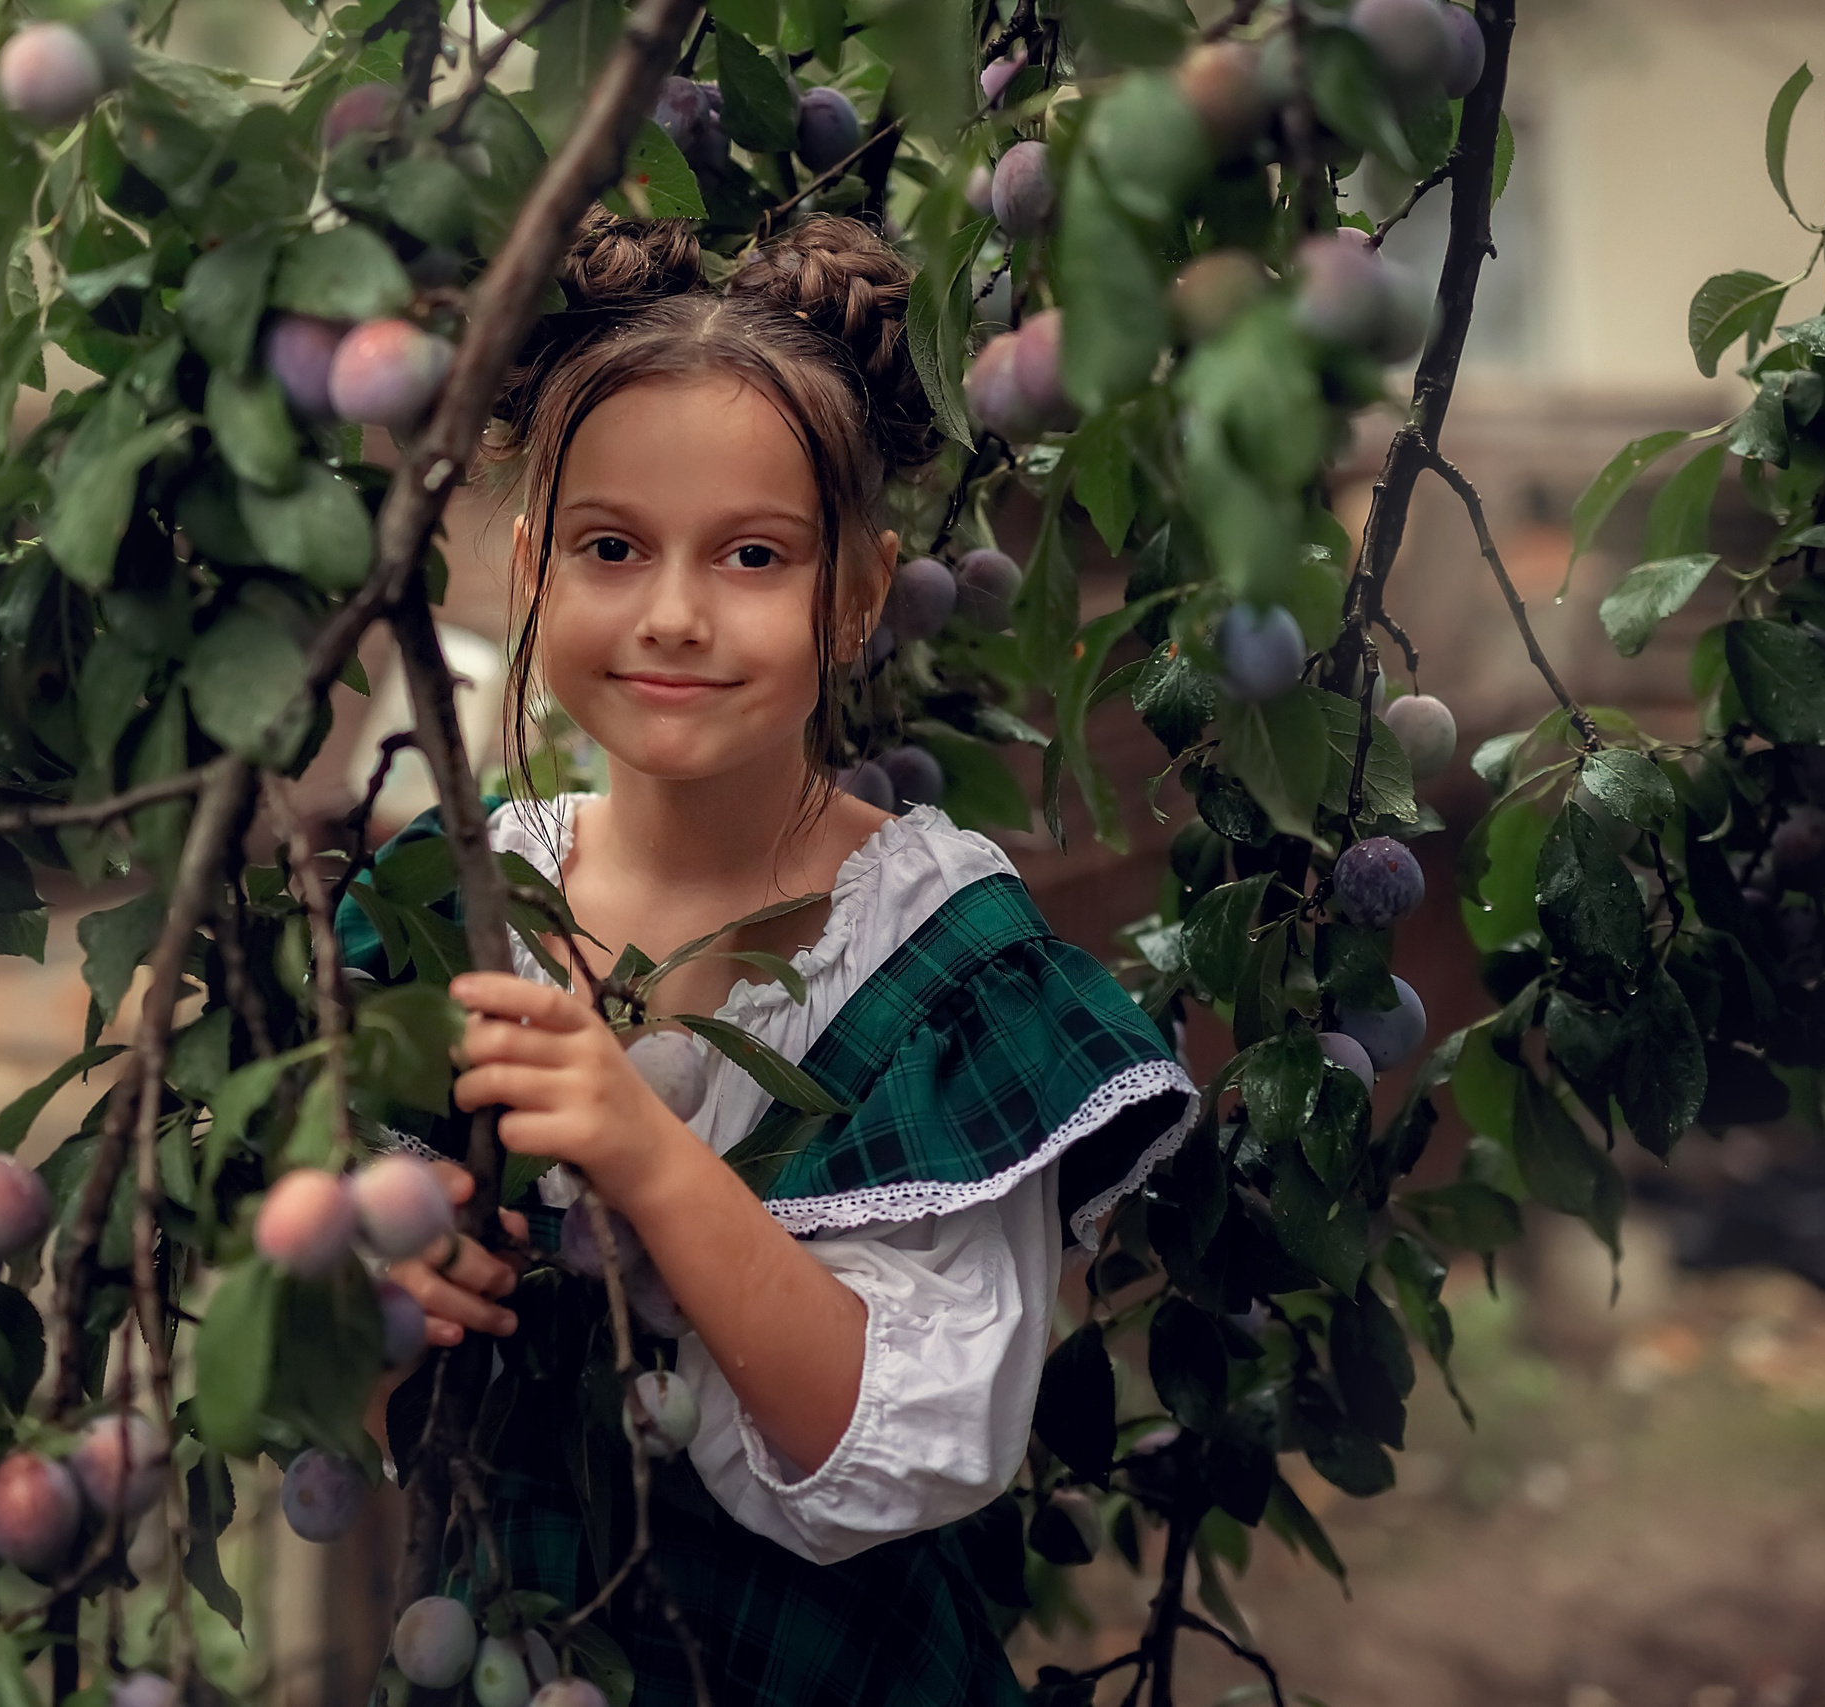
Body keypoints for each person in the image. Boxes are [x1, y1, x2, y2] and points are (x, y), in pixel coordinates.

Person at [336, 211, 1198, 1706]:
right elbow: (348, 1406)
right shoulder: (446, 903)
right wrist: (382, 1291)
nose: (674, 613)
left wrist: (644, 1153)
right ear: (534, 565)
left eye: (752, 555)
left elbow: (909, 1454)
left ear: (857, 595)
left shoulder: (934, 951)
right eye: (612, 548)